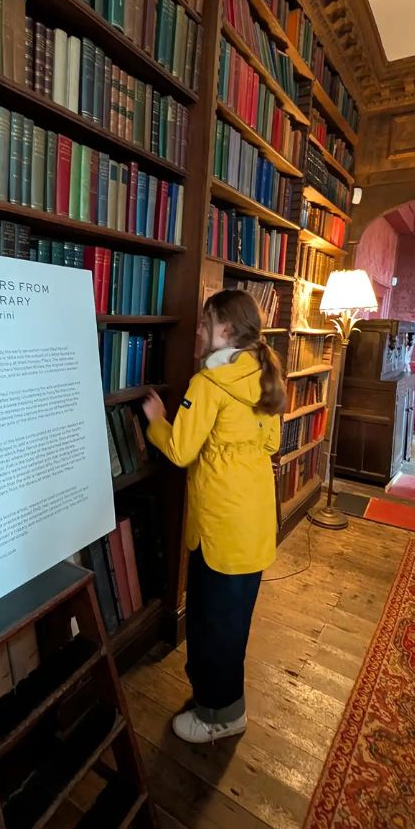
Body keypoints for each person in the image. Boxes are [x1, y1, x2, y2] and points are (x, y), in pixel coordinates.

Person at [141, 289, 285, 743]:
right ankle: (223, 701)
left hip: (221, 527)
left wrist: (156, 420)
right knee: (233, 622)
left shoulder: (207, 385)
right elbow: (271, 445)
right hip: (256, 522)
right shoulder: (264, 373)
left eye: (205, 324)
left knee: (210, 627)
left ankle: (220, 715)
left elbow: (181, 450)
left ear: (226, 329)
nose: (199, 332)